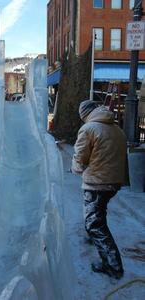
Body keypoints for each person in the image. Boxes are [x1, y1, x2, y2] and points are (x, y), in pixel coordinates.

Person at [71, 100, 127, 279]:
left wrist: (77, 169)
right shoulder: (116, 128)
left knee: (95, 223)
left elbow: (80, 157)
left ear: (85, 114)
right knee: (97, 213)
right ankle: (92, 236)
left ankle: (113, 265)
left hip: (97, 182)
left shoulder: (88, 129)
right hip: (114, 181)